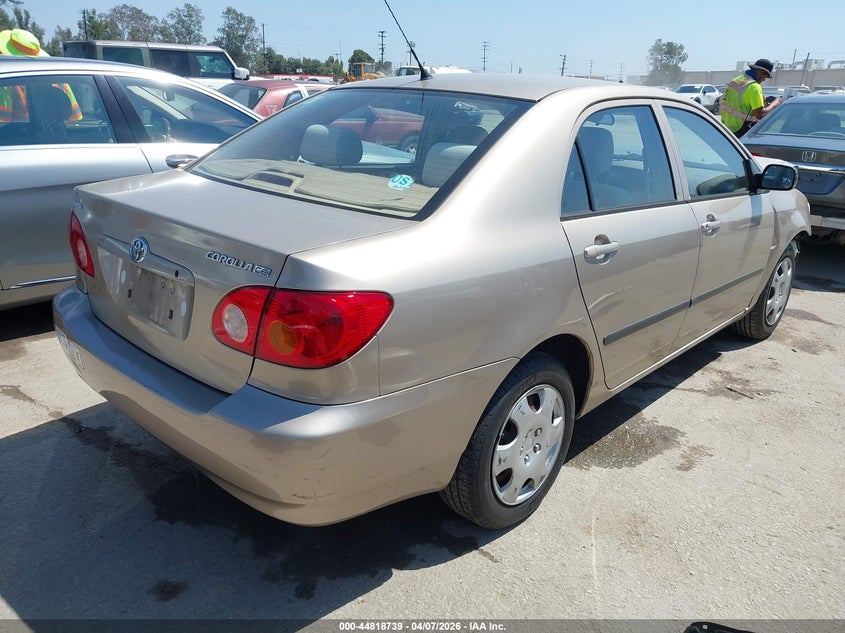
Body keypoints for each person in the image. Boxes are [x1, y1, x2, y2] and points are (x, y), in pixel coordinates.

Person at [0, 29, 82, 122]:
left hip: (22, 131)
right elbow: (76, 119)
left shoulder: (6, 84)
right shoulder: (60, 82)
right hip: (56, 129)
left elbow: (3, 124)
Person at [719, 58, 780, 137]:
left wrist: (762, 98)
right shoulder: (754, 87)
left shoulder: (736, 80)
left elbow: (739, 99)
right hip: (740, 130)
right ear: (761, 72)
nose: (764, 79)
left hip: (725, 128)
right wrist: (774, 104)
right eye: (766, 76)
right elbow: (759, 114)